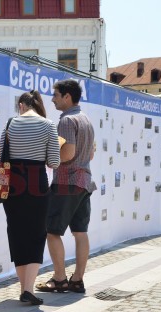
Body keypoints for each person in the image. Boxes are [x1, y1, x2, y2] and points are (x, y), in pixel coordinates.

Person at [36, 79, 96, 294]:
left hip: (66, 182)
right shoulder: (86, 119)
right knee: (80, 232)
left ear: (67, 97)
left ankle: (59, 279)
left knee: (52, 232)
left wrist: (49, 158)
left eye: (56, 95)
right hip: (85, 182)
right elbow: (90, 154)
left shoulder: (67, 121)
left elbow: (68, 154)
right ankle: (77, 279)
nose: (52, 100)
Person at [2, 91, 60, 305]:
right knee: (36, 233)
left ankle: (23, 288)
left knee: (16, 232)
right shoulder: (48, 125)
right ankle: (28, 289)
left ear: (21, 105)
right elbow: (54, 161)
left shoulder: (10, 124)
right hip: (37, 183)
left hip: (13, 184)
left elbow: (1, 158)